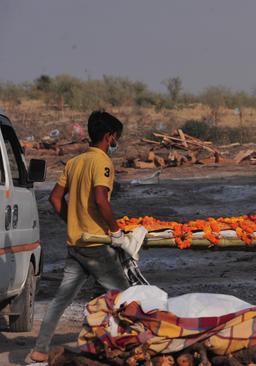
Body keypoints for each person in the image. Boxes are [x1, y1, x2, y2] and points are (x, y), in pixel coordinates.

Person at [28, 111, 132, 363]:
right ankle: (132, 346)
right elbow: (100, 199)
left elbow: (54, 198)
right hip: (96, 244)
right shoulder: (102, 162)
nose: (115, 143)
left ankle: (40, 349)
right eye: (115, 138)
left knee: (61, 300)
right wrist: (117, 232)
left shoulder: (75, 162)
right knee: (128, 296)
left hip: (75, 244)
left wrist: (73, 220)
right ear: (109, 137)